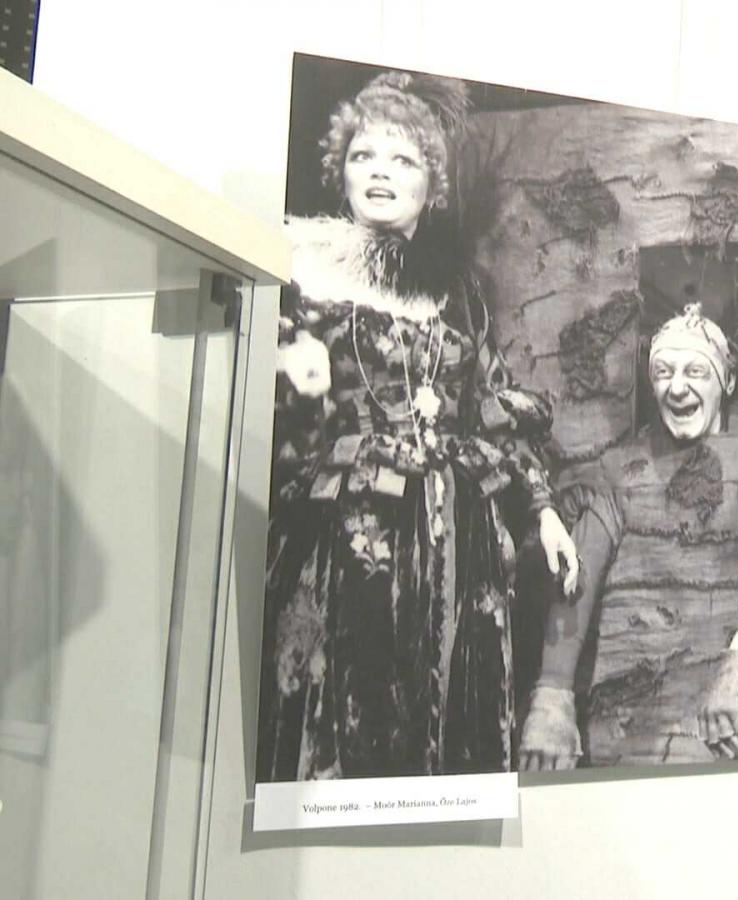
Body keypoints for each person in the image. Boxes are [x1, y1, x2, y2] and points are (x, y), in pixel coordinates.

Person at [256, 71, 579, 781]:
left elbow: (492, 403)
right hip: (350, 536)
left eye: (402, 159)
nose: (380, 172)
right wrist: (295, 381)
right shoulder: (297, 271)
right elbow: (268, 428)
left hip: (455, 539)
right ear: (339, 171)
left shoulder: (457, 289)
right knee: (350, 725)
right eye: (363, 155)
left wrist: (543, 509)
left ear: (431, 183)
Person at [517, 303, 738, 770]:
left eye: (694, 371)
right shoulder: (618, 473)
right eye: (663, 372)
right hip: (629, 727)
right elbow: (577, 572)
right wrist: (553, 695)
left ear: (727, 381)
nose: (676, 387)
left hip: (727, 723)